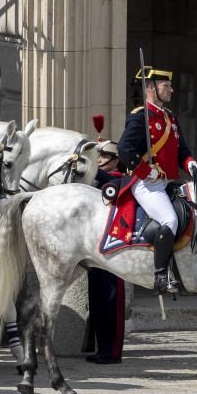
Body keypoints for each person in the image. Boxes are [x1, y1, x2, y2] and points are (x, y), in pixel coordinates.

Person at [118, 66, 197, 293]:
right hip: (146, 184)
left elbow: (182, 152)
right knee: (170, 220)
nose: (172, 90)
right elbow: (124, 149)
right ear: (151, 89)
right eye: (167, 86)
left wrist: (190, 163)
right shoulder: (140, 117)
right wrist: (146, 171)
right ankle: (160, 276)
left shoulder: (170, 118)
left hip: (167, 183)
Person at [85, 141, 126, 364]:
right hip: (95, 247)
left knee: (112, 302)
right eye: (98, 156)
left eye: (105, 156)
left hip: (114, 247)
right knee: (97, 302)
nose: (100, 159)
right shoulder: (98, 177)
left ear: (116, 159)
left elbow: (107, 181)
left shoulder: (119, 177)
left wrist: (90, 166)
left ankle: (113, 351)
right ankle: (101, 347)